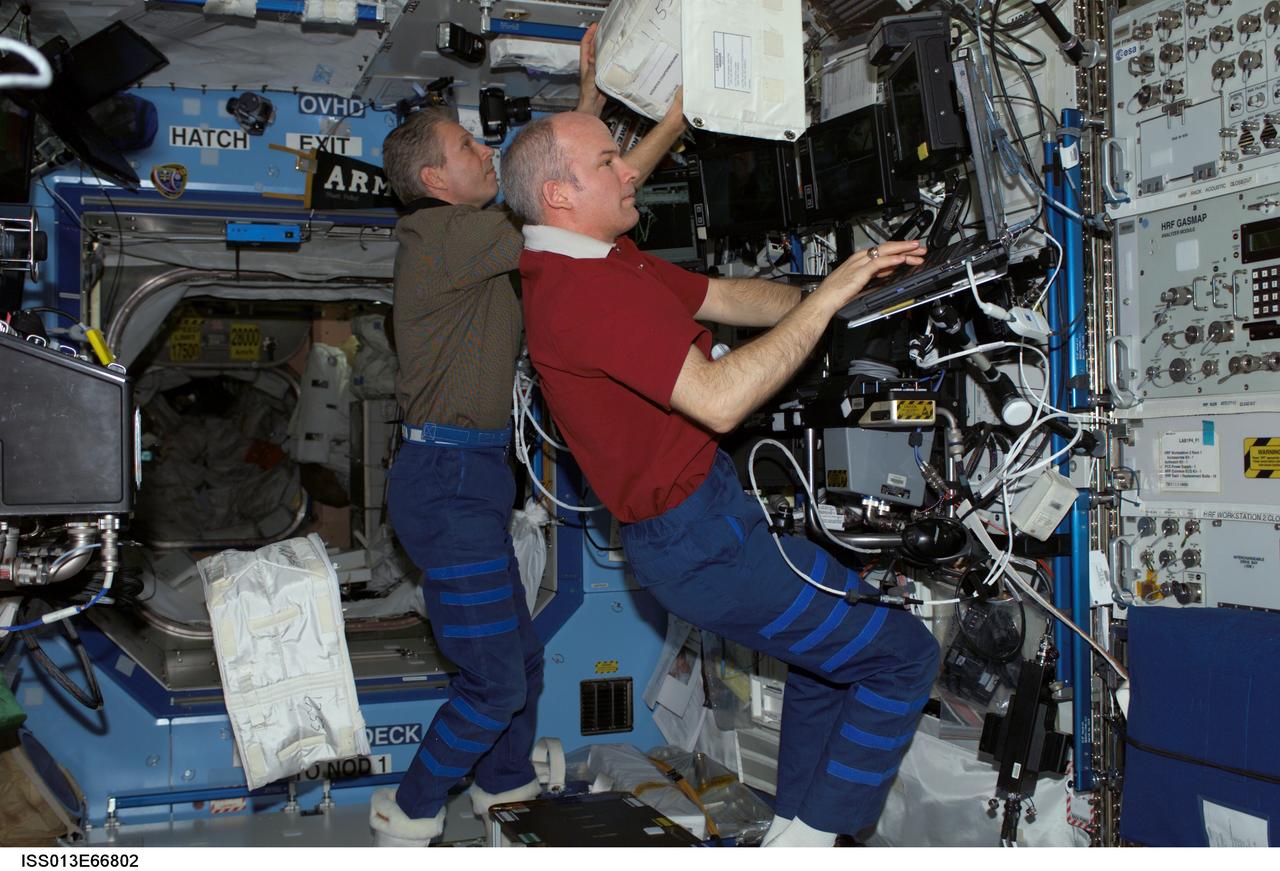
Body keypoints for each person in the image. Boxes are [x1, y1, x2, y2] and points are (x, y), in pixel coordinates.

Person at [503, 110, 940, 847]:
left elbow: (728, 297)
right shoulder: (583, 293)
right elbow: (720, 400)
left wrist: (848, 301)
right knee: (904, 657)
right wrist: (828, 298)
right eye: (608, 162)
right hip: (701, 545)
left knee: (827, 661)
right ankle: (819, 840)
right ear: (558, 196)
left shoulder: (604, 258)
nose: (631, 170)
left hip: (711, 520)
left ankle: (794, 830)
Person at [368, 27, 686, 847]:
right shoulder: (445, 233)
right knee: (493, 681)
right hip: (447, 482)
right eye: (468, 147)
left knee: (523, 660)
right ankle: (407, 813)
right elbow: (574, 204)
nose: (486, 151)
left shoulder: (463, 238)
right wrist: (675, 122)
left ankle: (503, 789)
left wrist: (586, 103)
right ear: (435, 180)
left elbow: (561, 192)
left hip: (469, 477)